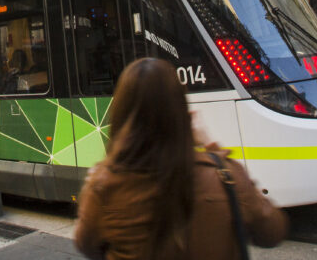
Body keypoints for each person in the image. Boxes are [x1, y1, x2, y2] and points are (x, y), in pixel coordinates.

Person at [74, 58, 288, 260]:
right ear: (181, 111)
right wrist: (211, 147)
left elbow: (86, 244)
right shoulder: (225, 176)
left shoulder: (103, 185)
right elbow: (271, 231)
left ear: (120, 113)